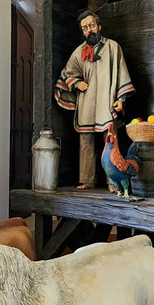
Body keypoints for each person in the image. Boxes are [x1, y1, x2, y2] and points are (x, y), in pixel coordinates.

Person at [54, 10, 134, 189]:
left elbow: (122, 73)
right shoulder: (79, 52)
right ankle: (87, 180)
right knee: (86, 142)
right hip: (88, 103)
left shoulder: (113, 47)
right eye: (84, 28)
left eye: (91, 26)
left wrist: (121, 99)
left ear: (99, 26)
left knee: (111, 141)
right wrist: (76, 83)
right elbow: (67, 73)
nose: (89, 30)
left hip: (107, 101)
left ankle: (112, 181)